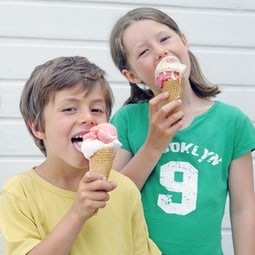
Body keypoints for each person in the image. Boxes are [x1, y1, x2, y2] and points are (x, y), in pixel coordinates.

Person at [109, 7, 255, 255]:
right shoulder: (126, 121)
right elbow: (113, 199)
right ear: (131, 75)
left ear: (184, 41)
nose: (160, 51)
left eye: (165, 39)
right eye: (144, 51)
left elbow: (243, 208)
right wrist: (154, 144)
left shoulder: (232, 122)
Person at [0, 56, 161, 255]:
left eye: (96, 109)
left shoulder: (124, 189)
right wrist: (78, 213)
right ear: (37, 127)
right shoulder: (19, 192)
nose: (88, 118)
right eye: (69, 109)